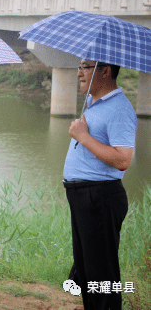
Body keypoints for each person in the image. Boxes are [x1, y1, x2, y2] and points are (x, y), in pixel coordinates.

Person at [63, 60, 137, 310]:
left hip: (100, 197)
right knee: (85, 271)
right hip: (83, 196)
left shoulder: (119, 108)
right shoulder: (94, 105)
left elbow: (123, 159)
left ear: (105, 71)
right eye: (79, 67)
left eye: (86, 66)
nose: (79, 72)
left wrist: (83, 136)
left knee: (102, 274)